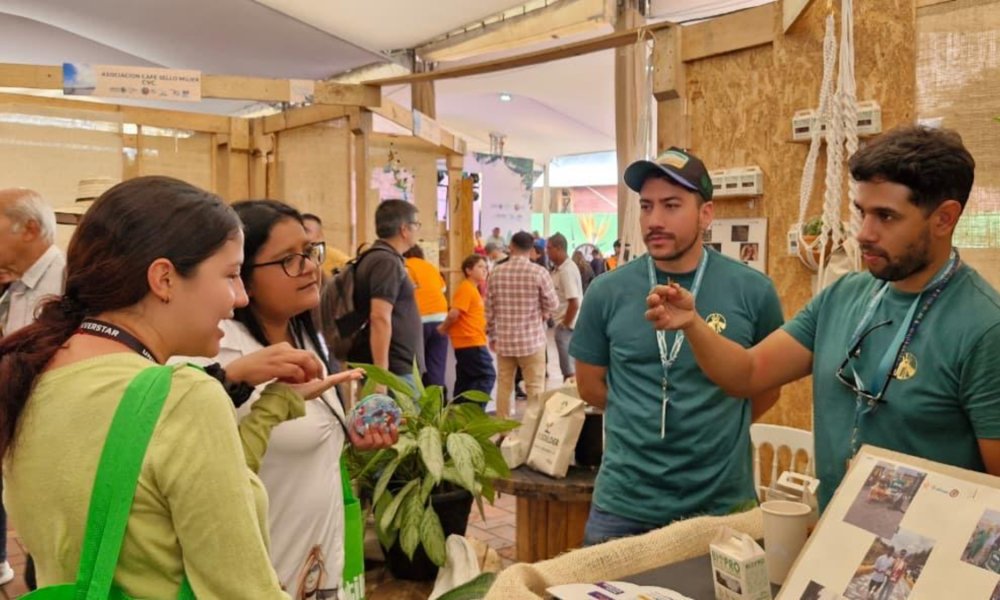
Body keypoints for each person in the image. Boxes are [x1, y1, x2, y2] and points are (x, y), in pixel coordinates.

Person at [646, 126, 1000, 510]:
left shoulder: (983, 327)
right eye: (863, 212)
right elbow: (747, 374)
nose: (864, 233)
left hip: (922, 558)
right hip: (835, 541)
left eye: (886, 216)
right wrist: (693, 326)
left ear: (944, 218)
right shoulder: (843, 296)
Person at [0, 176, 302, 597]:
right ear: (163, 278)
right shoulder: (181, 396)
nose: (240, 297)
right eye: (230, 274)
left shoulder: (32, 375)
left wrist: (277, 404)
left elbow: (171, 499)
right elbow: (243, 590)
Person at [570, 147, 784, 545]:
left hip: (722, 504)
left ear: (706, 214)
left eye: (671, 205)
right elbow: (590, 386)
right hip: (624, 506)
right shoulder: (607, 291)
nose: (654, 220)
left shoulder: (753, 291)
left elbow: (766, 387)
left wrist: (713, 429)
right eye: (646, 207)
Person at [211, 199, 396, 598]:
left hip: (319, 560)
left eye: (310, 252)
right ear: (241, 275)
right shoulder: (222, 351)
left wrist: (354, 440)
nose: (311, 267)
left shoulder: (305, 333)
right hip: (265, 573)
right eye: (288, 260)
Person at [0, 188, 66, 584]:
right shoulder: (14, 288)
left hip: (55, 431)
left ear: (28, 229)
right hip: (21, 425)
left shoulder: (71, 283)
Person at [348, 199, 424, 381]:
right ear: (404, 229)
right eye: (416, 225)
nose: (418, 231)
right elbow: (379, 316)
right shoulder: (386, 262)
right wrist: (382, 376)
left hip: (397, 367)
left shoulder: (381, 258)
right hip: (394, 371)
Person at [486, 231, 558, 420]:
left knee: (504, 385)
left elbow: (489, 309)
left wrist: (492, 335)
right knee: (535, 387)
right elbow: (553, 304)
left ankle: (503, 433)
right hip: (532, 340)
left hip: (505, 341)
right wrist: (542, 311)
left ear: (511, 246)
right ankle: (531, 433)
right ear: (531, 248)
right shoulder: (539, 272)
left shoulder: (495, 272)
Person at [439, 255, 495, 400]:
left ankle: (458, 412)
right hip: (471, 341)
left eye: (486, 267)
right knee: (487, 375)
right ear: (469, 270)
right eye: (480, 267)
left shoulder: (472, 289)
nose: (485, 270)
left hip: (469, 341)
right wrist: (443, 328)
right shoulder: (466, 288)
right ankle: (471, 412)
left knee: (465, 380)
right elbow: (454, 314)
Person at [403, 244, 449, 388]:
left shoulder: (404, 266)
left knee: (415, 368)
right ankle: (435, 405)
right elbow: (443, 288)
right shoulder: (431, 267)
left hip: (417, 320)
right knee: (436, 365)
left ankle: (416, 406)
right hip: (441, 319)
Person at [547, 233, 583, 382]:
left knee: (569, 372)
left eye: (549, 248)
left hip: (568, 327)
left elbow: (574, 302)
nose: (547, 252)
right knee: (567, 369)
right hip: (563, 324)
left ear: (559, 248)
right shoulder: (559, 269)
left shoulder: (567, 271)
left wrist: (565, 325)